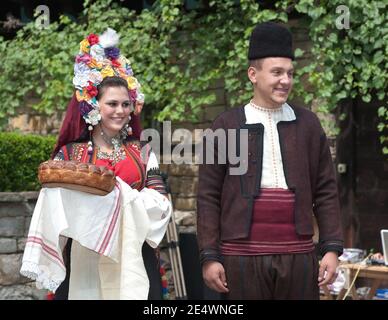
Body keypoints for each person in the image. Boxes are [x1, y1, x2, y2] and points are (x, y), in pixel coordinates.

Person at [196, 21, 343, 300]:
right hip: (240, 260)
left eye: (290, 73)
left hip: (299, 257)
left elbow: (326, 190)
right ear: (253, 74)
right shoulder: (227, 126)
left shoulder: (308, 125)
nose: (285, 80)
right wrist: (209, 256)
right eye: (276, 72)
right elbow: (208, 196)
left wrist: (331, 248)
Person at [21, 28, 171, 300]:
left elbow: (161, 204)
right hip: (84, 260)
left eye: (126, 104)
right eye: (112, 103)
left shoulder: (142, 152)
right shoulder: (68, 156)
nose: (121, 111)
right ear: (94, 105)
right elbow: (54, 208)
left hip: (133, 257)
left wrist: (117, 198)